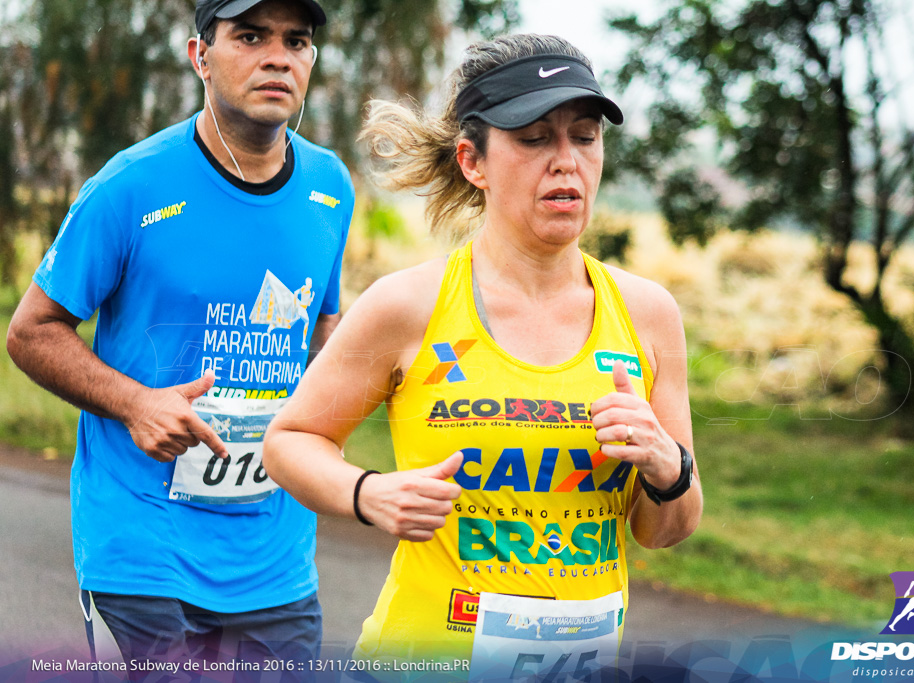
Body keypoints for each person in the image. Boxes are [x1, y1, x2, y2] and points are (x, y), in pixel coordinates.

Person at [263, 33, 702, 678]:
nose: (566, 162)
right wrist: (368, 493)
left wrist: (668, 467)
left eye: (584, 136)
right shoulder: (408, 306)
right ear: (474, 161)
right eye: (533, 139)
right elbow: (289, 441)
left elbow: (665, 529)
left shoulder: (647, 313)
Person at [5, 0, 352, 677]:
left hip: (276, 558)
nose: (279, 56)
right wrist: (137, 402)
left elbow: (325, 329)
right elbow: (30, 331)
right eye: (250, 37)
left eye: (297, 40)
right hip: (144, 547)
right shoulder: (133, 185)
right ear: (200, 56)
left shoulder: (330, 188)